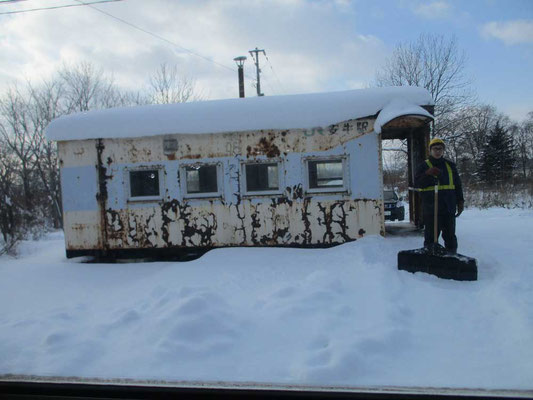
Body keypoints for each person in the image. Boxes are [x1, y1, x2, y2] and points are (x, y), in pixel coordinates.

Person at [415, 138, 464, 253]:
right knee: (431, 237)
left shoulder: (450, 166)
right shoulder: (423, 166)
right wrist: (427, 174)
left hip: (448, 207)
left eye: (440, 149)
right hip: (431, 208)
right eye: (435, 149)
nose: (437, 151)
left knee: (450, 236)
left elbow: (457, 185)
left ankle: (452, 257)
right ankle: (430, 258)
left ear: (443, 151)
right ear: (430, 150)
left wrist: (460, 201)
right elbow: (418, 184)